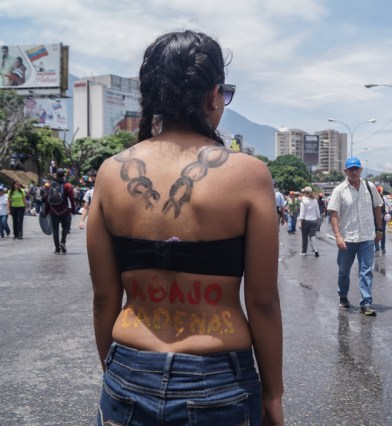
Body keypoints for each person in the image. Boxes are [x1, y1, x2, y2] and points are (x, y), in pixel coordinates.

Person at [87, 31, 283, 425]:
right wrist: (273, 394)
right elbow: (262, 301)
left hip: (128, 370)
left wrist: (120, 375)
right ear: (213, 95)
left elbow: (104, 298)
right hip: (219, 379)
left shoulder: (110, 173)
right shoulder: (248, 174)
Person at [327, 156, 383, 316]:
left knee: (366, 270)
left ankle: (366, 303)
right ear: (345, 171)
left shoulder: (369, 186)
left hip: (367, 236)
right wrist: (337, 236)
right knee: (344, 270)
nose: (354, 172)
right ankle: (343, 295)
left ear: (361, 170)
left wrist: (379, 229)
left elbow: (377, 207)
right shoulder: (339, 190)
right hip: (347, 238)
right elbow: (334, 214)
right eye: (350, 169)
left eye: (356, 169)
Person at [44, 168, 76, 254]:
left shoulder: (50, 185)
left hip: (53, 211)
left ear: (56, 175)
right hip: (65, 211)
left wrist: (46, 211)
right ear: (64, 176)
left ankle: (57, 248)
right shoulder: (68, 186)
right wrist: (73, 209)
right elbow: (72, 199)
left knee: (55, 230)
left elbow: (47, 199)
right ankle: (63, 242)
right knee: (65, 228)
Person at [298, 186, 321, 256]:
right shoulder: (315, 201)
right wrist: (318, 219)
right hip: (313, 220)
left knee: (304, 237)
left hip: (305, 220)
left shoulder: (303, 201)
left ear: (305, 193)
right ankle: (315, 249)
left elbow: (302, 213)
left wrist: (299, 221)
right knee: (312, 235)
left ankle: (304, 251)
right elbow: (317, 212)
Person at [374, 186, 390, 254]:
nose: (382, 192)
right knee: (376, 232)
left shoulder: (384, 199)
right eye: (381, 191)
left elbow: (389, 206)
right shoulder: (376, 199)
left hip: (382, 218)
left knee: (381, 233)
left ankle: (382, 247)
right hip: (376, 218)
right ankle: (378, 247)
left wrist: (387, 211)